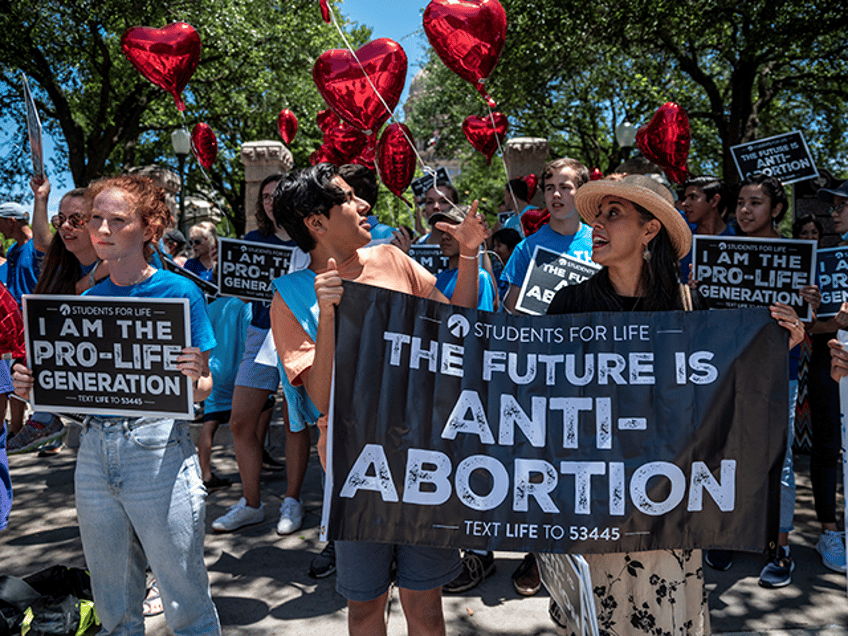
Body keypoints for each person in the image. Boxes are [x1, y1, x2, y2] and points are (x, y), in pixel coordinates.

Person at [542, 173, 804, 634]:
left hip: (668, 513)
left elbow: (727, 391)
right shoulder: (570, 305)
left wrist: (775, 346)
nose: (598, 225)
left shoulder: (689, 309)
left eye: (614, 214)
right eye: (598, 215)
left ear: (651, 230)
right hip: (592, 509)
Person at [270, 162, 487, 636]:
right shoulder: (290, 297)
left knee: (425, 605)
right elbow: (323, 397)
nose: (364, 204)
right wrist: (328, 315)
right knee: (366, 607)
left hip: (425, 459)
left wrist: (469, 254)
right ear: (316, 221)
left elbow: (459, 329)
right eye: (348, 198)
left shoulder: (392, 259)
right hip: (358, 470)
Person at [12, 174, 221, 636]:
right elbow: (77, 397)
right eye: (95, 220)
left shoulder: (178, 293)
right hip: (92, 453)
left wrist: (195, 377)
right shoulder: (87, 300)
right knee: (113, 604)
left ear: (149, 228)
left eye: (116, 220)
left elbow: (204, 387)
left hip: (158, 451)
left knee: (184, 599)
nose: (101, 230)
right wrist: (34, 385)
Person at [733, 172, 821, 586]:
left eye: (755, 203)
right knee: (728, 455)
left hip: (776, 375)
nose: (745, 211)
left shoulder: (798, 258)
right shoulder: (721, 254)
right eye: (740, 203)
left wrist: (809, 311)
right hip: (727, 373)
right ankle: (728, 534)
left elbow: (808, 325)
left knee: (779, 461)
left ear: (777, 209)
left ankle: (780, 545)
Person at [211, 173, 304, 536]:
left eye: (276, 194)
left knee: (295, 419)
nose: (269, 201)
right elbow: (245, 295)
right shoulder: (254, 240)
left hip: (300, 335)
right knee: (240, 420)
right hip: (261, 334)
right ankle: (251, 504)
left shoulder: (309, 238)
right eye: (264, 196)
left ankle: (292, 500)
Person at [501, 158, 593, 315]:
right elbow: (511, 312)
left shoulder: (600, 243)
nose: (556, 194)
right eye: (550, 188)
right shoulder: (526, 248)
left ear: (582, 193)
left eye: (565, 187)